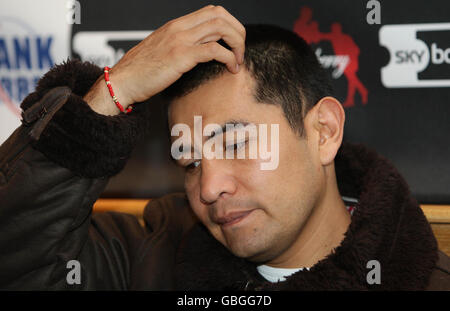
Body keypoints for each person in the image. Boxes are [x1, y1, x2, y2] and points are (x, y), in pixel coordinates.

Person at [0, 5, 449, 290]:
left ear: (324, 131)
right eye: (190, 160)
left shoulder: (424, 279)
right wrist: (111, 92)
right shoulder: (152, 260)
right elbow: (17, 259)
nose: (209, 187)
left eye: (235, 143)